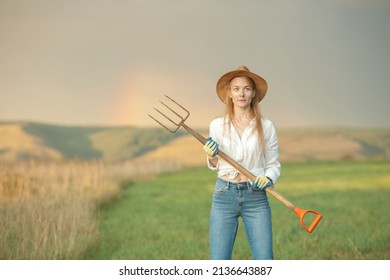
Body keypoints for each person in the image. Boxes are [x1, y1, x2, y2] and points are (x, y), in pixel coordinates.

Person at [203, 65, 281, 260]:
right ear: (229, 93)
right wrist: (211, 155)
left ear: (253, 93)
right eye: (236, 88)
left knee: (265, 260)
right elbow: (215, 163)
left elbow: (273, 164)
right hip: (224, 195)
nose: (241, 93)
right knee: (219, 262)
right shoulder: (217, 125)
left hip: (256, 197)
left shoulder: (266, 126)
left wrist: (268, 177)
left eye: (246, 88)